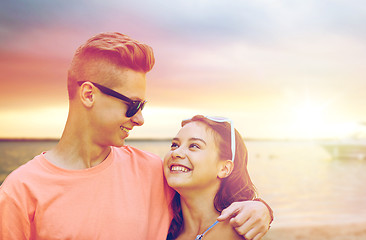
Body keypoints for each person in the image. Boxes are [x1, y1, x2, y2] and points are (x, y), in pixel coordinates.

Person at [0, 32, 272, 239]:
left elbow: (212, 192)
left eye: (143, 106)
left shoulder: (155, 172)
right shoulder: (19, 193)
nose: (140, 119)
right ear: (88, 94)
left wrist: (261, 209)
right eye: (132, 105)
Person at [165, 115, 269, 240]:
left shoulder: (238, 233)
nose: (176, 153)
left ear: (224, 168)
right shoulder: (165, 229)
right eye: (175, 145)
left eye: (194, 146)